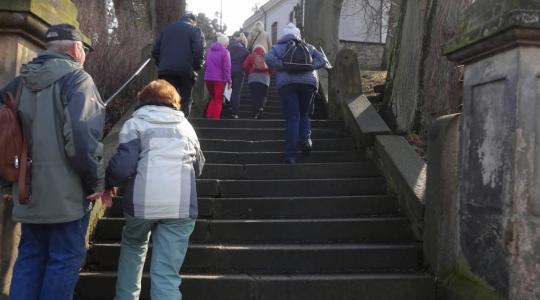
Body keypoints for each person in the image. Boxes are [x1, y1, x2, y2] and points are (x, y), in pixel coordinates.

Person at [0, 24, 105, 299]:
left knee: (30, 258)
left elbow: (4, 137)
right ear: (77, 49)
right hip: (67, 197)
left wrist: (6, 182)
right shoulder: (77, 79)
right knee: (63, 260)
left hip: (27, 193)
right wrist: (95, 181)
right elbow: (82, 138)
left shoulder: (18, 83)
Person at [105, 79, 205, 300]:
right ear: (174, 101)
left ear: (143, 99)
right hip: (180, 206)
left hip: (142, 204)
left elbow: (122, 166)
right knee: (167, 273)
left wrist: (107, 184)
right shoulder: (187, 127)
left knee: (134, 245)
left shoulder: (136, 123)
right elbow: (198, 167)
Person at [265, 23, 327, 164]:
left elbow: (268, 59)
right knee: (304, 114)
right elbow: (322, 60)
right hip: (308, 83)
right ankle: (306, 141)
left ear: (284, 34)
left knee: (293, 117)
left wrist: (285, 65)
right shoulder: (308, 47)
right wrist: (309, 66)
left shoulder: (278, 47)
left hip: (287, 84)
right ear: (298, 35)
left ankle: (290, 155)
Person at [152, 12, 205, 118]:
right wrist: (196, 66)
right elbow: (199, 51)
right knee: (186, 99)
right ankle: (182, 126)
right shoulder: (195, 30)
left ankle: (166, 123)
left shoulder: (166, 29)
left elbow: (155, 51)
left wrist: (162, 64)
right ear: (193, 21)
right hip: (186, 70)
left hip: (166, 71)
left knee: (167, 98)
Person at [204, 34, 232, 120]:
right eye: (227, 43)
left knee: (213, 97)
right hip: (219, 79)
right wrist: (229, 80)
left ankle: (209, 114)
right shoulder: (225, 52)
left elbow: (205, 65)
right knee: (218, 99)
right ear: (224, 43)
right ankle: (215, 118)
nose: (228, 44)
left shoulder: (209, 51)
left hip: (208, 78)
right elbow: (226, 68)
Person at [242, 45, 272, 119]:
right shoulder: (267, 56)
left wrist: (250, 71)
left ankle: (255, 113)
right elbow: (271, 66)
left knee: (255, 95)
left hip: (253, 78)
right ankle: (261, 108)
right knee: (263, 95)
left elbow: (245, 65)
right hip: (265, 78)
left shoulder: (251, 55)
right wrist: (268, 74)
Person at [228, 32, 250, 119]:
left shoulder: (229, 48)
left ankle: (230, 106)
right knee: (236, 92)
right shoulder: (246, 51)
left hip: (229, 71)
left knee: (229, 89)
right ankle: (235, 112)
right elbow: (246, 64)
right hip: (239, 72)